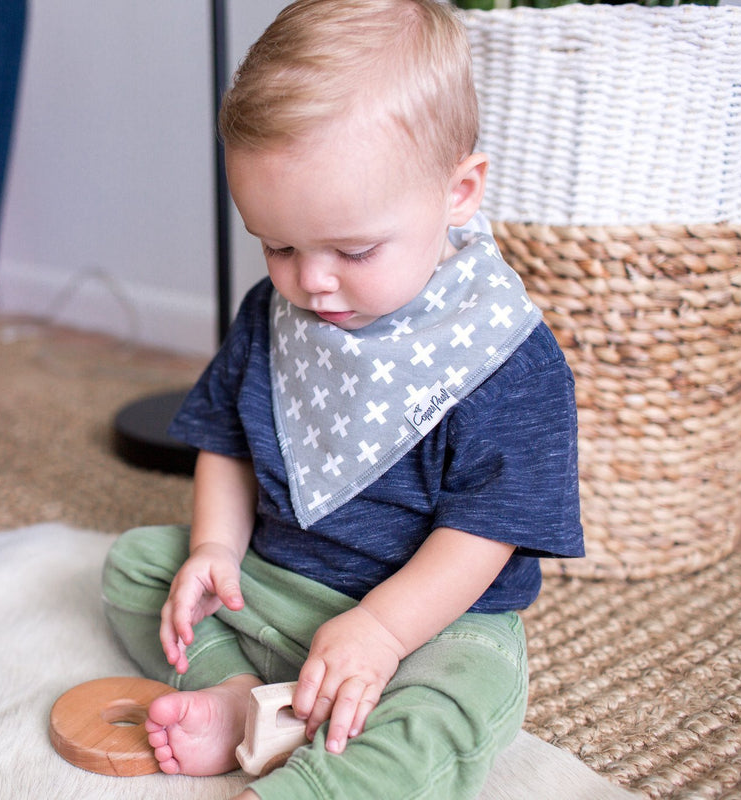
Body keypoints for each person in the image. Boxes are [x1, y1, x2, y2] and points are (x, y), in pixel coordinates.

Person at [101, 0, 584, 797]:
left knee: (462, 698)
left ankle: (322, 783)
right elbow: (227, 436)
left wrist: (383, 630)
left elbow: (485, 531)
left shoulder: (502, 357)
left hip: (429, 625)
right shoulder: (275, 314)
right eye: (278, 244)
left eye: (353, 249)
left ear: (458, 190)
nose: (311, 281)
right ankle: (237, 701)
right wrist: (216, 551)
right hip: (277, 587)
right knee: (138, 568)